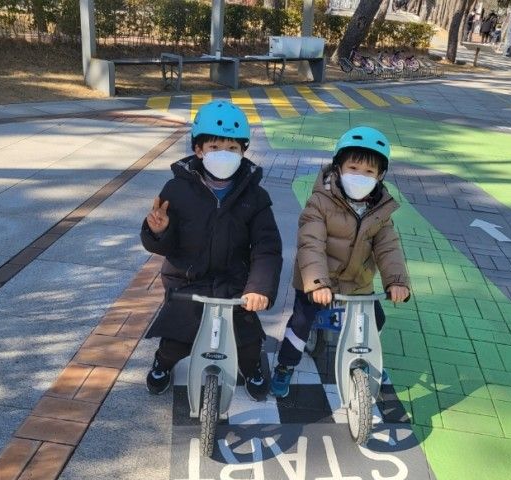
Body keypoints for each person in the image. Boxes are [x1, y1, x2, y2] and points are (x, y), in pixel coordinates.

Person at [141, 100, 283, 401]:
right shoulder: (176, 190)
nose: (224, 155)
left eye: (232, 149)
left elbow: (266, 247)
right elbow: (164, 245)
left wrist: (258, 288)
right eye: (215, 147)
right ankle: (162, 364)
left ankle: (253, 367)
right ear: (199, 150)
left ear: (243, 151)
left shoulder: (255, 197)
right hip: (188, 280)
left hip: (236, 283)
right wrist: (158, 230)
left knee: (246, 342)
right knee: (178, 339)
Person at [270, 127, 411, 398]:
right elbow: (311, 243)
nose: (360, 176)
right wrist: (317, 283)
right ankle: (285, 365)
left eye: (369, 172)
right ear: (338, 168)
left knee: (376, 320)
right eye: (353, 168)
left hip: (357, 281)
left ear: (380, 176)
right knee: (301, 322)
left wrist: (396, 281)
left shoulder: (380, 209)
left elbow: (388, 247)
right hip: (318, 280)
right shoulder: (320, 202)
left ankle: (366, 358)